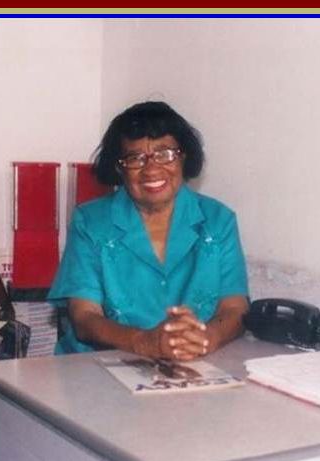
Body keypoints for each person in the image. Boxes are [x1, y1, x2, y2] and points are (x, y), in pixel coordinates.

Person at [48, 101, 249, 361]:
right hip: (97, 367)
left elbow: (235, 307)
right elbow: (84, 317)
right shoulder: (90, 221)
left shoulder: (218, 220)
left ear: (183, 157)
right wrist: (144, 342)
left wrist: (206, 338)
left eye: (165, 153)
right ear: (120, 168)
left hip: (194, 365)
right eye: (136, 158)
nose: (152, 169)